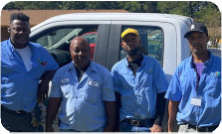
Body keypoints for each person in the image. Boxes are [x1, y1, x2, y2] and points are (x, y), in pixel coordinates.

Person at [0, 12, 59, 134]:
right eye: (17, 29)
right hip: (5, 114)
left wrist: (45, 81)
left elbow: (54, 68)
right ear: (9, 28)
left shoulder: (39, 51)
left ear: (30, 31)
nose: (22, 33)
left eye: (25, 29)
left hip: (30, 115)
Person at [45, 37, 116, 134]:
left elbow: (109, 102)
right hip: (68, 129)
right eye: (76, 50)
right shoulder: (61, 73)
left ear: (89, 51)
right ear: (70, 52)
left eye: (84, 50)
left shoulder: (103, 73)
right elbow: (54, 101)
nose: (80, 54)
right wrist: (48, 125)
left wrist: (110, 127)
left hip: (95, 129)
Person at [165, 22, 221, 134]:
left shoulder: (220, 65)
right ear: (188, 42)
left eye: (200, 37)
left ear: (207, 39)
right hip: (186, 129)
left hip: (213, 127)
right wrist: (170, 129)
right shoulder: (182, 68)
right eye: (192, 38)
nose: (196, 41)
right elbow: (173, 100)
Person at [111, 28, 168, 134]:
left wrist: (157, 123)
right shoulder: (117, 69)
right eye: (127, 40)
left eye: (133, 39)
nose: (130, 42)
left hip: (148, 127)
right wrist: (115, 127)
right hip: (125, 126)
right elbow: (115, 99)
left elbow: (162, 93)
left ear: (140, 42)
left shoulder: (153, 64)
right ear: (122, 44)